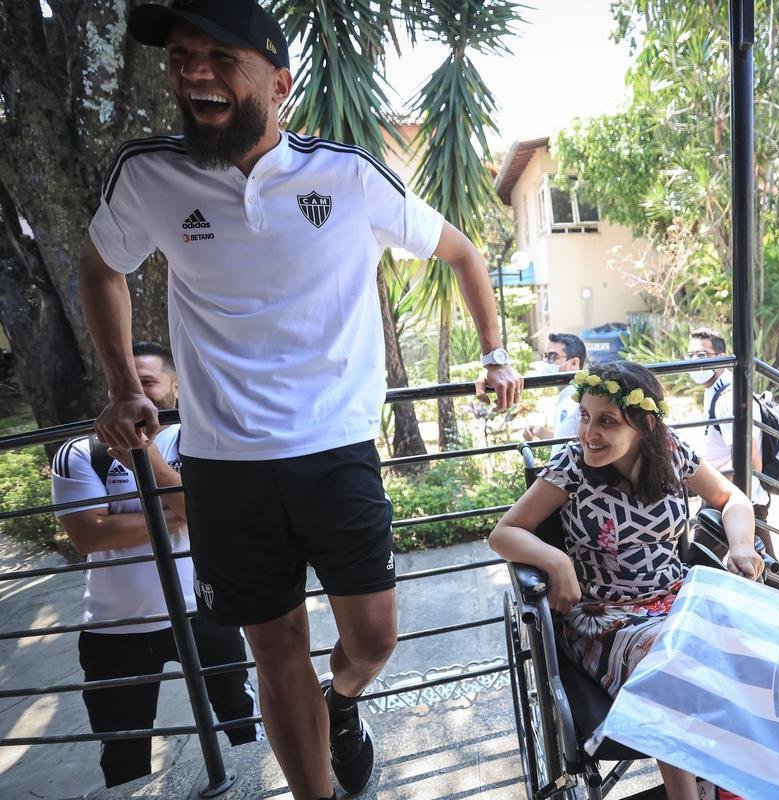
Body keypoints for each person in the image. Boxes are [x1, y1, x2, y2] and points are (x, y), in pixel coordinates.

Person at [79, 3, 522, 799]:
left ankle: (342, 701)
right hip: (222, 461)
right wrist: (120, 385)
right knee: (274, 647)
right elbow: (99, 266)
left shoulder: (346, 174)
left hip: (336, 447)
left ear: (279, 83)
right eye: (181, 57)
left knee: (374, 637)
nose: (193, 73)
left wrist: (495, 355)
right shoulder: (148, 172)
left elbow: (461, 251)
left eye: (219, 56)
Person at [489, 361, 764, 800]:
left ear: (644, 424)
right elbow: (504, 533)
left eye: (606, 421)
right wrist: (557, 561)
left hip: (676, 596)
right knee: (670, 665)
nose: (588, 433)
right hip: (606, 614)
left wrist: (742, 545)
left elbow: (731, 498)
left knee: (751, 644)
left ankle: (738, 781)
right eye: (584, 416)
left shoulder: (672, 453)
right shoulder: (573, 466)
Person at [50, 342, 262, 788]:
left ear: (175, 388)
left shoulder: (202, 438)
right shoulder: (80, 451)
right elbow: (89, 536)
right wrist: (181, 511)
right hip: (114, 627)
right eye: (126, 384)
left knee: (243, 725)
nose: (138, 393)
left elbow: (214, 516)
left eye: (147, 382)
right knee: (123, 757)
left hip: (204, 612)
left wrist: (148, 464)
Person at [685, 328, 776, 556]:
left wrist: (703, 482)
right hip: (727, 496)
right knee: (760, 569)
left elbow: (750, 463)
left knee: (700, 564)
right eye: (690, 355)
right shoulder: (715, 389)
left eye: (702, 355)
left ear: (721, 357)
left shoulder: (728, 397)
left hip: (737, 501)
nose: (694, 361)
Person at [523, 332, 587, 456]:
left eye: (552, 356)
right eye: (545, 356)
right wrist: (541, 432)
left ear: (574, 364)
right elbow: (565, 443)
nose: (546, 363)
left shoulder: (581, 401)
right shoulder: (566, 396)